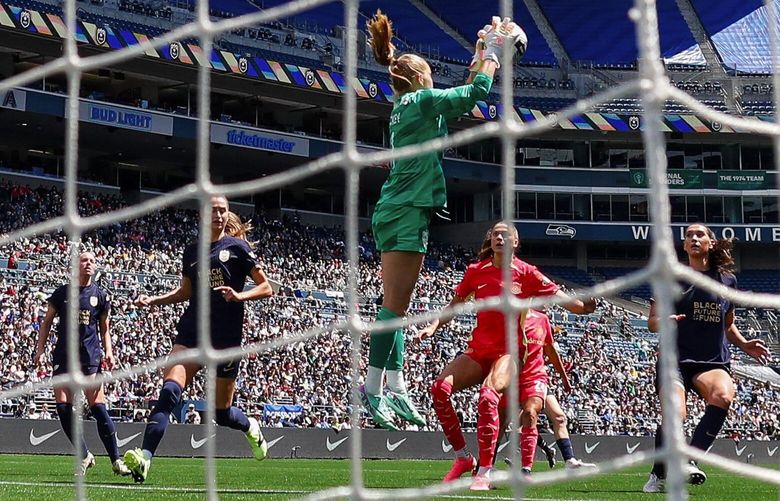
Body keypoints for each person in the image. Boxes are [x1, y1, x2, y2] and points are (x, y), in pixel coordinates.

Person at [360, 9, 527, 431]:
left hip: (400, 207)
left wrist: (478, 54)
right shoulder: (420, 100)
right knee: (393, 310)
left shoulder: (409, 104)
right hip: (405, 209)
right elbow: (477, 94)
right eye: (431, 73)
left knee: (396, 308)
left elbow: (465, 91)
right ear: (419, 78)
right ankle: (372, 388)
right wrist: (492, 51)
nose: (435, 79)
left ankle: (395, 387)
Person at [419, 222, 596, 489]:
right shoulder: (475, 271)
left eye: (505, 234)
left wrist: (584, 307)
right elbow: (455, 305)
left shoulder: (527, 273)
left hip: (509, 354)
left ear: (516, 242)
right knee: (439, 389)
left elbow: (563, 298)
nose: (499, 237)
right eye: (495, 233)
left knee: (488, 396)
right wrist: (434, 325)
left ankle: (485, 472)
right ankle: (463, 457)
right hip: (478, 351)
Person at [123, 197, 274, 483]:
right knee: (169, 392)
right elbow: (185, 292)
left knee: (222, 413)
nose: (217, 214)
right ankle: (145, 457)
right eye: (212, 210)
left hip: (225, 341)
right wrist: (154, 300)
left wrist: (240, 295)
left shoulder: (237, 248)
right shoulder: (191, 251)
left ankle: (250, 426)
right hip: (192, 333)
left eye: (222, 210)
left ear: (226, 214)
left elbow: (266, 288)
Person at [643, 223, 771, 493]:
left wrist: (745, 344)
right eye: (689, 235)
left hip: (712, 361)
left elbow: (727, 323)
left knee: (723, 395)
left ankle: (690, 459)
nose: (693, 238)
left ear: (711, 243)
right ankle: (659, 473)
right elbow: (652, 323)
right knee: (675, 412)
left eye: (699, 234)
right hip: (675, 360)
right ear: (684, 245)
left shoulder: (727, 280)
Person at [34, 251, 131, 476]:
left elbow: (104, 329)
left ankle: (116, 460)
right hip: (63, 357)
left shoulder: (101, 296)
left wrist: (109, 351)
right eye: (84, 260)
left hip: (90, 356)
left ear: (95, 267)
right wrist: (40, 349)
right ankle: (85, 454)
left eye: (92, 261)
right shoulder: (62, 293)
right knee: (62, 407)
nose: (88, 264)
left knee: (98, 407)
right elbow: (46, 322)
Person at [499, 327, 595, 471]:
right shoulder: (519, 325)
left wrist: (562, 376)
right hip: (517, 381)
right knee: (514, 423)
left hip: (537, 380)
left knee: (559, 418)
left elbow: (550, 355)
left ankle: (569, 460)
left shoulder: (541, 329)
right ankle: (488, 466)